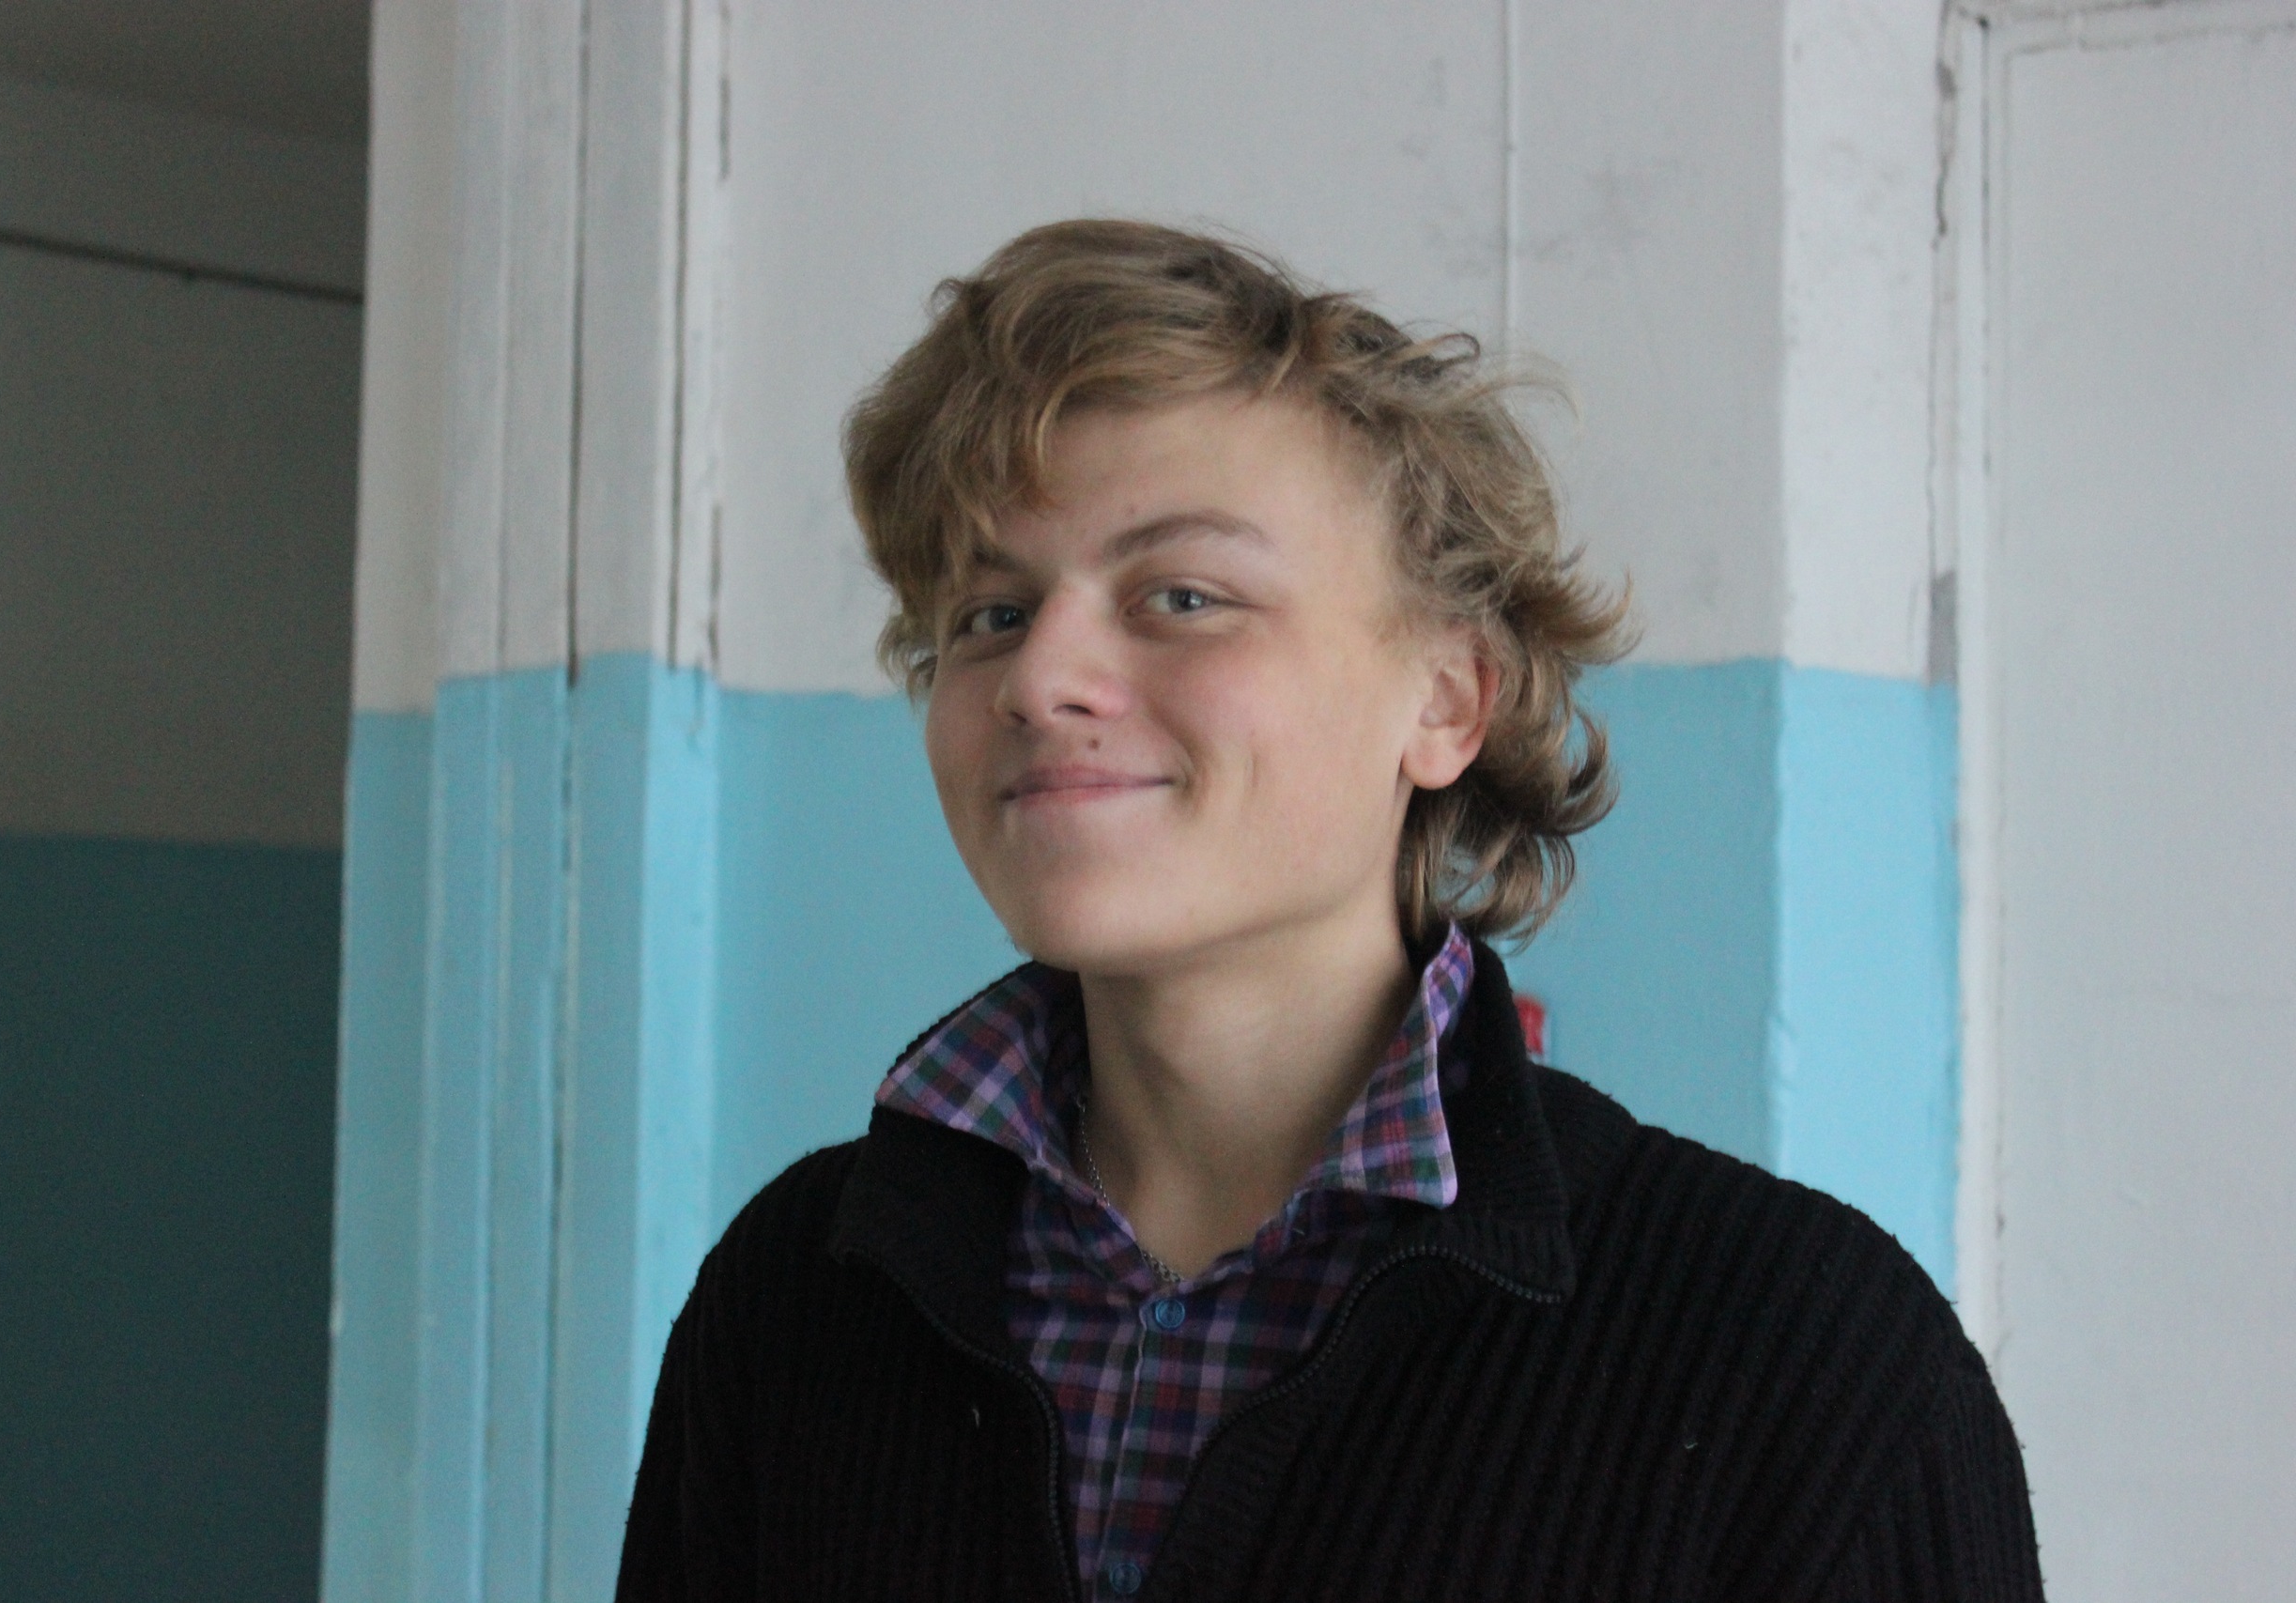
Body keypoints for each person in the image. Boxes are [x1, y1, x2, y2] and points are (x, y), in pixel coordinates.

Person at [616, 220, 2042, 1601]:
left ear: (1447, 702)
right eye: (990, 613)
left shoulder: (1808, 1367)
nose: (1040, 679)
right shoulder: (793, 1296)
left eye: (1182, 596)